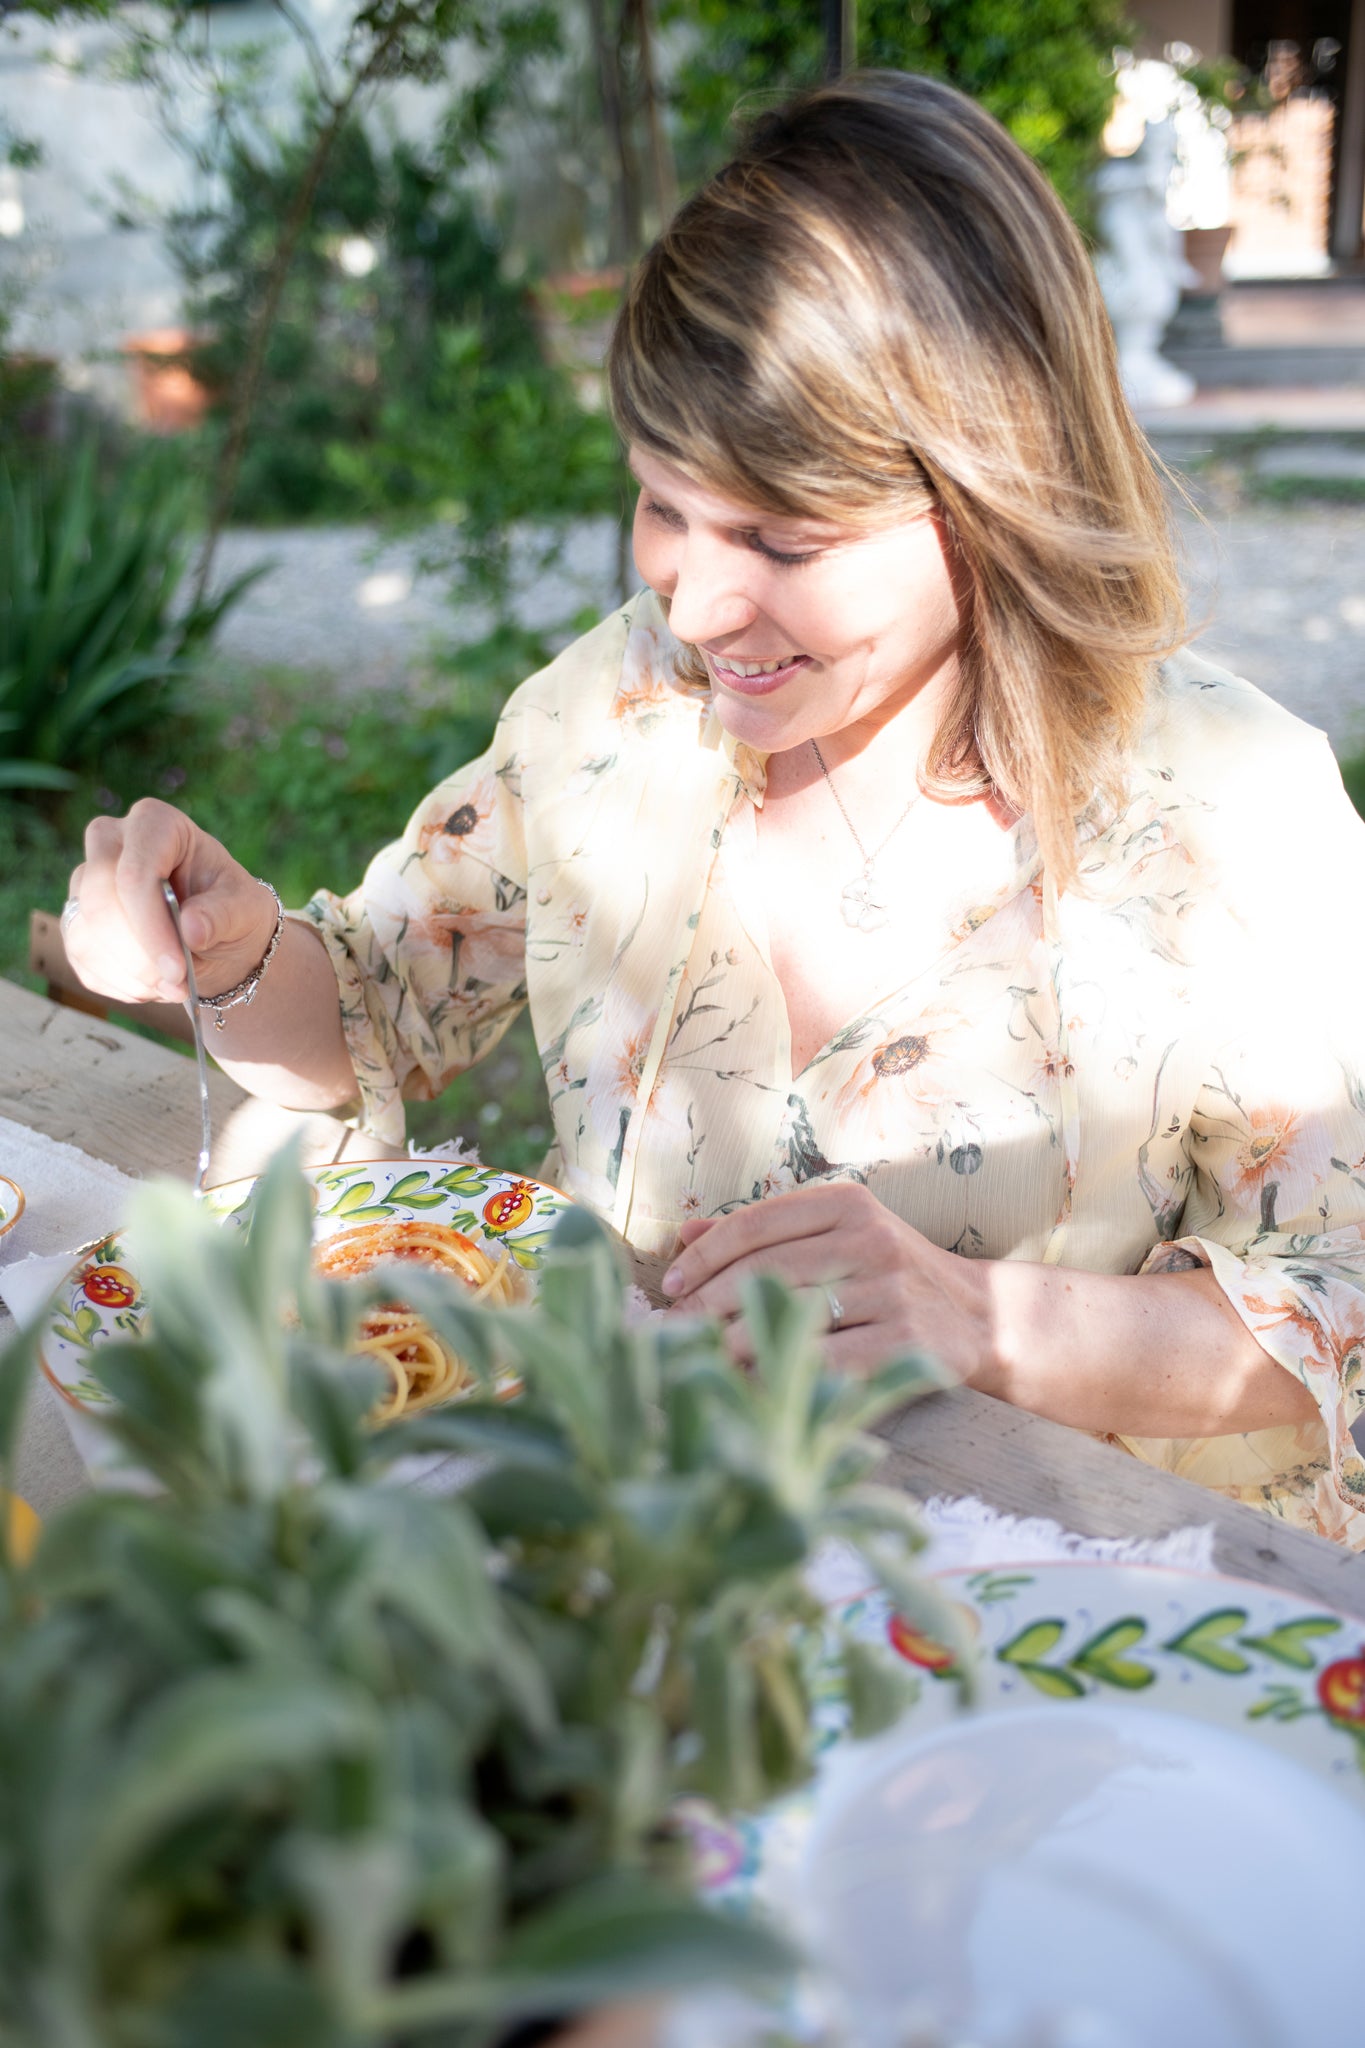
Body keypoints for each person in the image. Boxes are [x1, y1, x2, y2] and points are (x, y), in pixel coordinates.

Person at [63, 72, 1365, 1549]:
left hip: (1034, 1636)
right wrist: (235, 952)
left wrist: (988, 1321)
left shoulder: (1225, 813)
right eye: (661, 502)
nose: (695, 600)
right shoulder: (618, 708)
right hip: (627, 1565)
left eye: (781, 538)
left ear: (989, 489)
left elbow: (1342, 1308)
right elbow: (375, 1004)